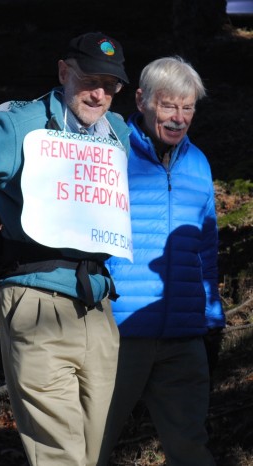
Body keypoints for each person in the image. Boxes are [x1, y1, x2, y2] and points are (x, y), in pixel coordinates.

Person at [0, 32, 131, 466]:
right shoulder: (21, 128)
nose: (100, 93)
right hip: (35, 300)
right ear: (64, 72)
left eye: (111, 85)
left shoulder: (118, 133)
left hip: (97, 306)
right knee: (59, 455)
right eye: (91, 79)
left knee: (97, 450)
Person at [97, 56, 225, 466]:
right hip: (119, 334)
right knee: (89, 446)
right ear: (142, 99)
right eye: (169, 105)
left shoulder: (199, 163)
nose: (179, 118)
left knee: (190, 447)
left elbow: (205, 246)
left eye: (188, 108)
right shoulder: (110, 154)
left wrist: (211, 316)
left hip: (184, 337)